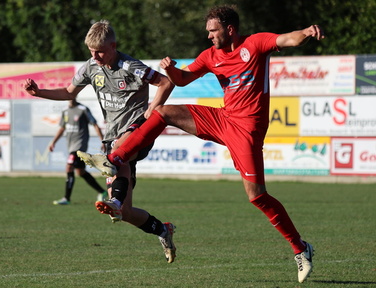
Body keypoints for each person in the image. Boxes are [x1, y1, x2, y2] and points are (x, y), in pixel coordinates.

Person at [77, 5, 325, 283]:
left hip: (247, 132)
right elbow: (182, 81)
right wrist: (172, 71)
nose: (208, 36)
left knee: (257, 196)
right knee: (163, 112)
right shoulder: (210, 56)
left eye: (212, 30)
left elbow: (286, 38)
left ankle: (301, 248)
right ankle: (116, 158)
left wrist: (305, 32)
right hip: (223, 118)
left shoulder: (254, 44)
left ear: (229, 29)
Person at [24, 20, 177, 263]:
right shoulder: (91, 67)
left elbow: (166, 82)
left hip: (137, 131)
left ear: (114, 46)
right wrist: (38, 92)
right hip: (112, 139)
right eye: (91, 51)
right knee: (124, 214)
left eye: (100, 51)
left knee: (119, 151)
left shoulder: (130, 65)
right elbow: (69, 92)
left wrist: (152, 110)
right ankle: (162, 229)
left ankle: (114, 199)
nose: (95, 56)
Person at [49, 98, 107, 205]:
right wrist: (53, 142)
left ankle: (66, 198)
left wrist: (103, 140)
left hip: (79, 146)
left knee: (69, 166)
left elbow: (94, 124)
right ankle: (102, 191)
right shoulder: (65, 111)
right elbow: (62, 128)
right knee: (80, 172)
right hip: (71, 146)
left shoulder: (83, 109)